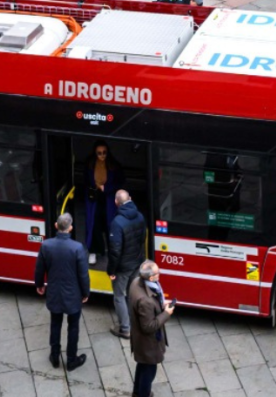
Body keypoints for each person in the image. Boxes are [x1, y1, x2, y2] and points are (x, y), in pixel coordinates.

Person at [35, 213, 89, 371]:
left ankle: (55, 356)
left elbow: (39, 269)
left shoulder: (46, 245)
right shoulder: (77, 248)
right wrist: (85, 292)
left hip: (55, 292)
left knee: (55, 323)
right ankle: (71, 359)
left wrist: (39, 284)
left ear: (55, 226)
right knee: (73, 326)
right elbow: (83, 274)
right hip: (73, 295)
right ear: (70, 227)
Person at [129, 260, 174, 397]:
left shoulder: (136, 282)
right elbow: (149, 327)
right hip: (148, 343)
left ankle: (137, 392)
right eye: (157, 272)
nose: (159, 274)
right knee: (149, 371)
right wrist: (166, 313)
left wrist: (160, 303)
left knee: (142, 365)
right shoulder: (145, 301)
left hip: (139, 339)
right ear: (151, 277)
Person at [108, 190, 147, 339]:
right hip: (137, 262)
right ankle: (134, 322)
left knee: (119, 295)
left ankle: (125, 328)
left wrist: (111, 270)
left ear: (116, 202)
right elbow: (143, 237)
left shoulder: (117, 222)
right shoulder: (140, 216)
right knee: (133, 293)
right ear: (130, 199)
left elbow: (115, 250)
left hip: (123, 266)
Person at [85, 140, 124, 265]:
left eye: (104, 153)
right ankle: (94, 251)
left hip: (109, 200)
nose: (102, 155)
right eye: (99, 153)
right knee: (94, 225)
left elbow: (121, 182)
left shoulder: (114, 166)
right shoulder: (90, 164)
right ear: (95, 154)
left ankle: (113, 251)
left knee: (110, 226)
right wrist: (93, 189)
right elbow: (85, 180)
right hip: (94, 200)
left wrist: (106, 188)